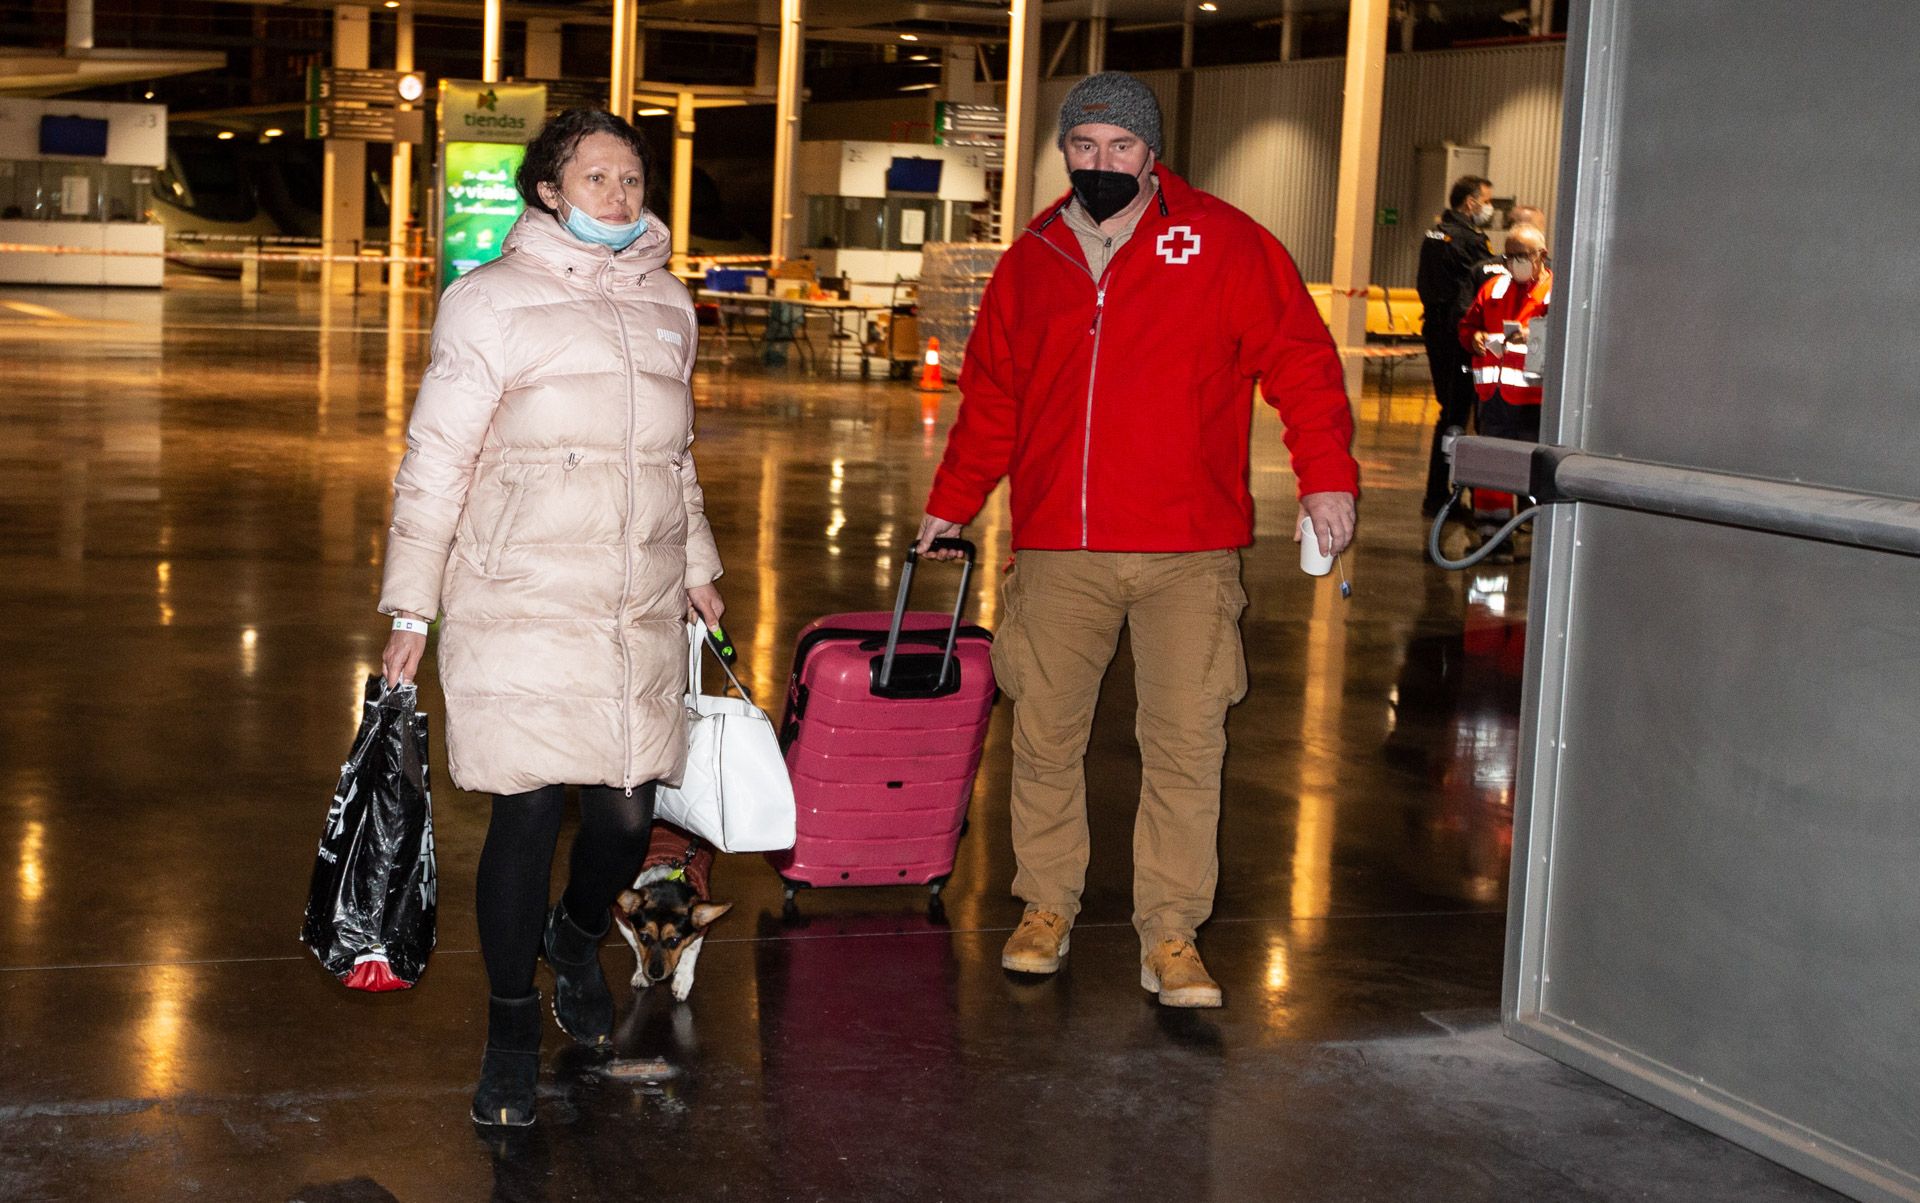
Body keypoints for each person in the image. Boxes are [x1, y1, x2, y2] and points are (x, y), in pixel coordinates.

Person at [914, 72, 1359, 1009]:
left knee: (1189, 745)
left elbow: (1302, 362)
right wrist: (952, 501)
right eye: (1085, 147)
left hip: (1187, 554)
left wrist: (1326, 477)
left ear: (1151, 154)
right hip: (1058, 551)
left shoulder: (1227, 245)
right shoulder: (1032, 258)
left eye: (1121, 148)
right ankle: (1045, 906)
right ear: (1066, 152)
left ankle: (1172, 932)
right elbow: (992, 395)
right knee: (1042, 735)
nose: (1101, 164)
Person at [376, 108, 724, 1128]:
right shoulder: (488, 304)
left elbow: (675, 458)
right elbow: (435, 457)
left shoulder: (670, 304)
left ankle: (576, 938)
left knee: (622, 818)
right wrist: (412, 604)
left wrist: (697, 564)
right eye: (599, 176)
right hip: (518, 593)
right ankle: (510, 1025)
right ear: (547, 191)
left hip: (632, 600)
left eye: (634, 177)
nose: (621, 195)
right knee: (529, 810)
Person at [1458, 223, 1553, 548]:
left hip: (1534, 402)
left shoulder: (1556, 293)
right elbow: (1467, 325)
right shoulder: (1494, 288)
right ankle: (1492, 539)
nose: (1513, 262)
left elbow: (1570, 339)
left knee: (1536, 474)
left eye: (1521, 256)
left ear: (1541, 255)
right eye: (1508, 256)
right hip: (1493, 398)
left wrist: (1535, 334)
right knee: (1493, 470)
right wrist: (1475, 338)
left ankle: (1544, 542)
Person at [1416, 174, 1497, 517]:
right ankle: (1447, 498)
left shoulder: (1433, 233)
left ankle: (1438, 494)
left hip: (1434, 331)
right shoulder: (1469, 240)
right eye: (1487, 200)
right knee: (1461, 415)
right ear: (1471, 202)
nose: (1490, 209)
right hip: (1458, 337)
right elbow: (1485, 283)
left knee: (1448, 411)